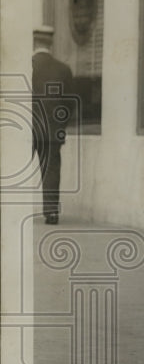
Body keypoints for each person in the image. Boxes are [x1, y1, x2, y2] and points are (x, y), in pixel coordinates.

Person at [32, 25, 73, 224]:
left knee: (14, 167)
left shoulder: (24, 65)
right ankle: (51, 213)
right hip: (52, 129)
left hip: (25, 129)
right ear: (51, 43)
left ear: (34, 42)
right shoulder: (63, 69)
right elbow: (69, 103)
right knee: (51, 169)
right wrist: (60, 126)